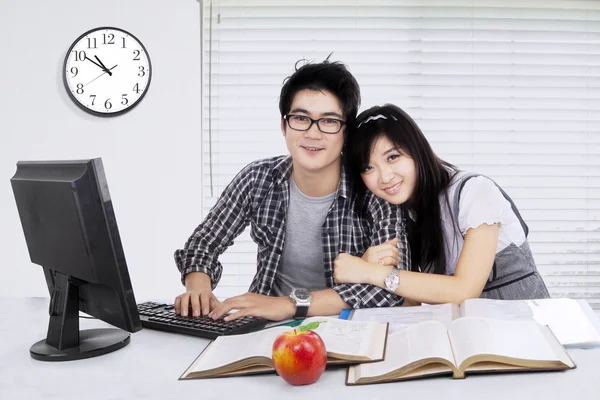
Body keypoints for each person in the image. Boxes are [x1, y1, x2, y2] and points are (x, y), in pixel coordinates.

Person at [173, 60, 411, 322]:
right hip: (266, 329)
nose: (312, 133)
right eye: (300, 118)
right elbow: (203, 243)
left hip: (347, 329)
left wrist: (288, 304)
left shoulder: (373, 187)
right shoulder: (259, 178)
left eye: (329, 121)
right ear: (284, 125)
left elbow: (392, 288)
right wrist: (198, 290)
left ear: (346, 132)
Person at [333, 104, 550, 304]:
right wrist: (367, 264)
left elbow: (464, 290)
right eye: (368, 168)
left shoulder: (474, 191)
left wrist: (369, 273)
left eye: (392, 157)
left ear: (417, 150)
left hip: (525, 331)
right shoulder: (401, 212)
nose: (385, 177)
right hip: (464, 335)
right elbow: (411, 302)